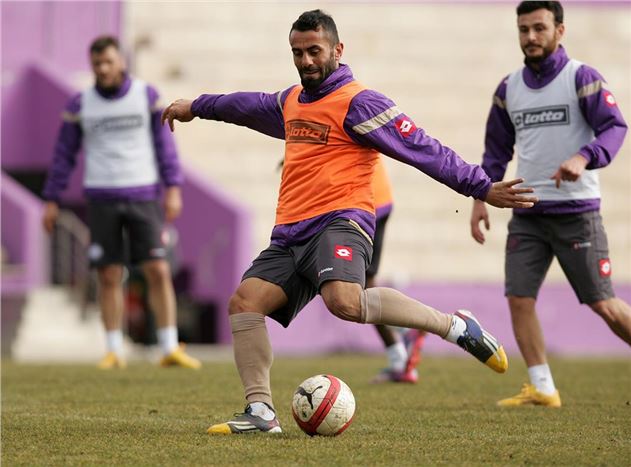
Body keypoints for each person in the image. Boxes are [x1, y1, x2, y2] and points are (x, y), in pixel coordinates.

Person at [162, 10, 537, 434]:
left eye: (314, 51)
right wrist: (196, 107)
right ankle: (261, 412)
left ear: (338, 50)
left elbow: (424, 148)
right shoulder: (291, 101)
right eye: (297, 53)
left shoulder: (360, 103)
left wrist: (481, 187)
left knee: (344, 302)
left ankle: (454, 326)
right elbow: (245, 105)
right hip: (290, 233)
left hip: (341, 221)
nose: (306, 61)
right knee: (245, 303)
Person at [470, 1, 630, 408]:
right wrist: (480, 197)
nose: (531, 37)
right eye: (523, 29)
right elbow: (495, 151)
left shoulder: (582, 78)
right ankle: (543, 387)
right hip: (527, 215)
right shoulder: (508, 88)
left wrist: (584, 157)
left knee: (604, 304)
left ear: (560, 30)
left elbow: (615, 127)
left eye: (539, 28)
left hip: (577, 214)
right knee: (519, 299)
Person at [42, 36, 201, 370]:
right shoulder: (80, 104)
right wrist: (52, 198)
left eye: (108, 62)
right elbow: (63, 155)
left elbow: (165, 146)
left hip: (143, 195)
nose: (102, 69)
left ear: (122, 62)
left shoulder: (147, 96)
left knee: (157, 268)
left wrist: (173, 187)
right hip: (101, 197)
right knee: (109, 273)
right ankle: (114, 350)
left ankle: (169, 346)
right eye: (96, 64)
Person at [368, 157, 426, 384]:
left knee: (351, 288)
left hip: (364, 202)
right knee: (361, 285)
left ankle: (405, 328)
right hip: (372, 198)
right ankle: (399, 359)